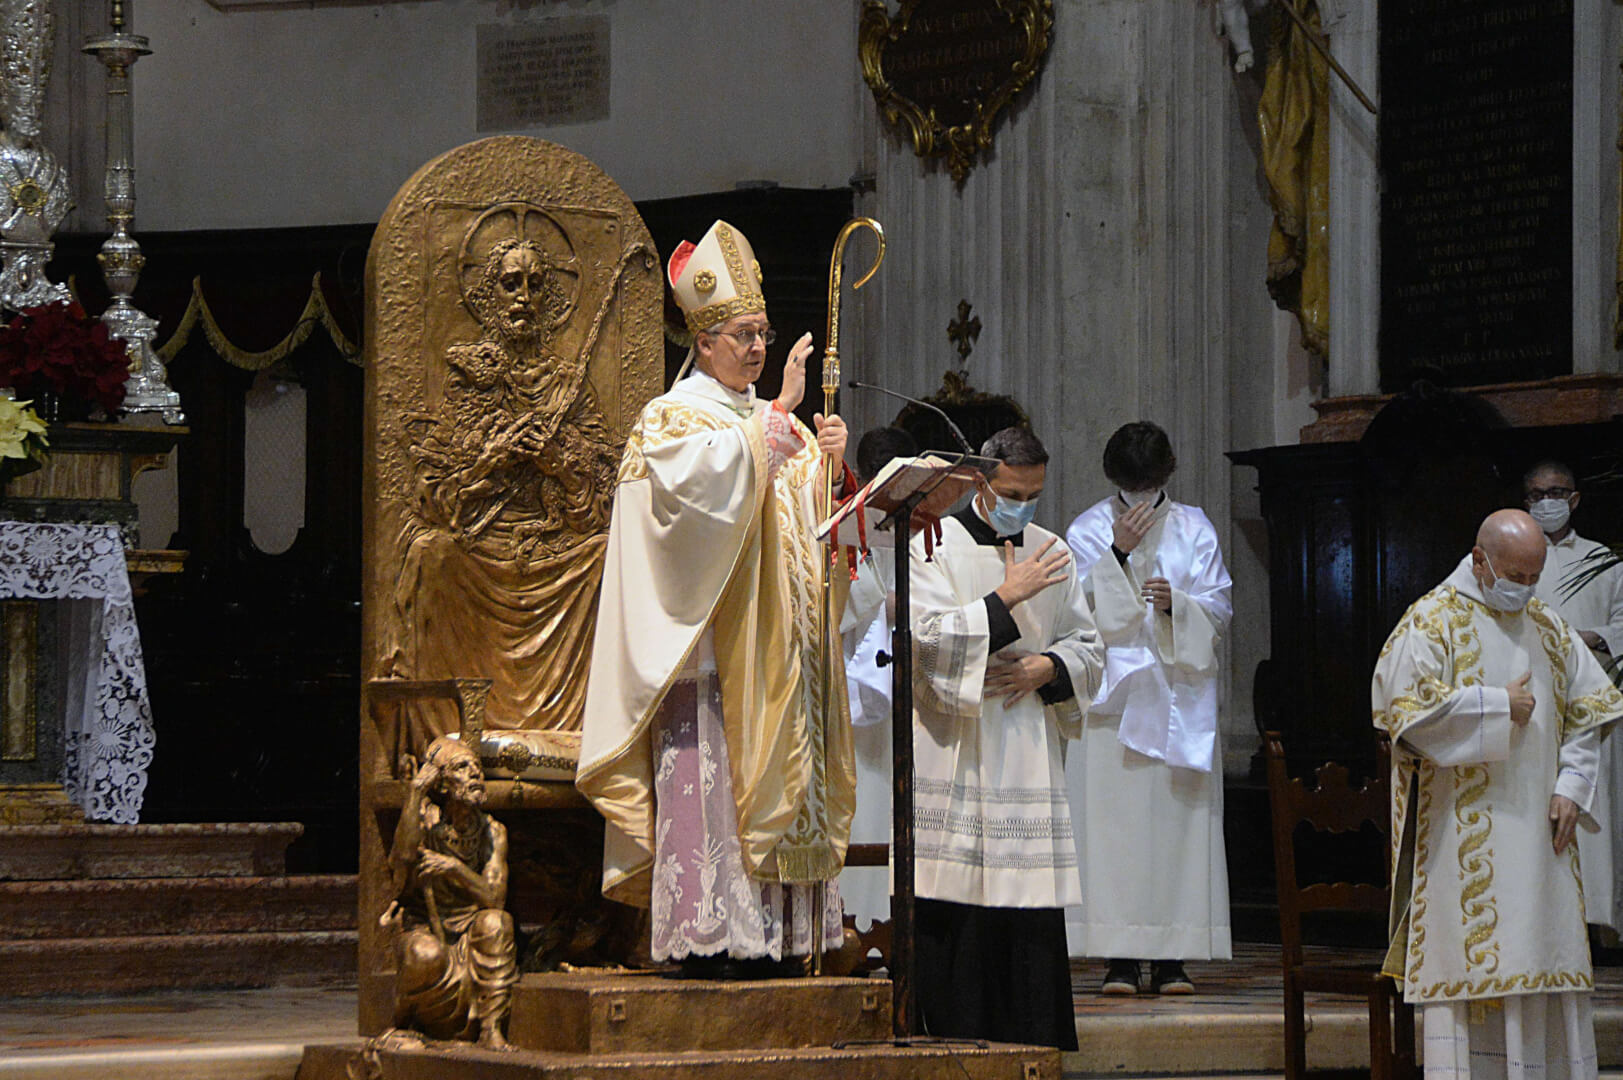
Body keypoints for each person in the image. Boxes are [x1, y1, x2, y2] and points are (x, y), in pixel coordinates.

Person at [577, 220, 856, 976]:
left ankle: (774, 938)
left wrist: (826, 470)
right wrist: (772, 426)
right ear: (703, 343)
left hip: (778, 657)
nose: (757, 348)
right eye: (743, 335)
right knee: (715, 794)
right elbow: (689, 516)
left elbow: (805, 531)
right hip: (708, 652)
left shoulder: (770, 422)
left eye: (763, 333)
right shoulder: (671, 419)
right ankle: (712, 939)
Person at [1373, 509, 1623, 1080]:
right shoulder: (1432, 620)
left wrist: (1572, 786)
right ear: (1479, 560)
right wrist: (1494, 706)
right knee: (1473, 963)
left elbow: (1590, 710)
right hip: (1462, 833)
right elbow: (1404, 717)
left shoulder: (1548, 626)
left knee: (1540, 963)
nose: (1526, 590)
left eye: (1535, 577)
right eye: (1516, 577)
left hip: (1539, 838)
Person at [909, 425, 1105, 1048]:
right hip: (959, 746)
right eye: (1013, 494)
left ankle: (1034, 1045)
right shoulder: (932, 544)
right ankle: (957, 1041)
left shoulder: (1053, 550)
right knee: (959, 905)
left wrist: (1050, 666)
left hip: (1025, 746)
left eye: (1034, 495)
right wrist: (1003, 599)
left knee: (1028, 916)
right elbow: (926, 643)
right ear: (980, 481)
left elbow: (1089, 645)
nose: (1023, 506)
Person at [1064, 421, 1233, 995]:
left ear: (1166, 475)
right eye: (1131, 485)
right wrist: (1117, 553)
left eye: (1148, 485)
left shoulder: (1194, 527)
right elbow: (1073, 610)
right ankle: (1117, 955)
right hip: (1114, 703)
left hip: (1176, 695)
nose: (1139, 497)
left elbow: (1218, 606)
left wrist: (1175, 605)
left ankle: (1171, 956)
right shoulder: (1089, 528)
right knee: (1113, 830)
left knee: (1174, 829)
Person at [1523, 460, 1623, 934]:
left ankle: (1596, 923)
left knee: (1594, 813)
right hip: (1533, 705)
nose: (1546, 503)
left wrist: (1594, 638)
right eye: (1536, 494)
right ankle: (1543, 922)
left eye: (1556, 493)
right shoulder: (1513, 557)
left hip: (1593, 702)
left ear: (1575, 499)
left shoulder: (1603, 560)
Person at [383, 736, 518, 1050]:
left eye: (476, 767)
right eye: (462, 767)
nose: (475, 773)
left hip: (471, 930)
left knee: (497, 923)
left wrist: (453, 868)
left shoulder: (492, 831)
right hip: (426, 926)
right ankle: (405, 1024)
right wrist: (416, 791)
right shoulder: (424, 821)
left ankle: (490, 1028)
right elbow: (402, 858)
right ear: (442, 785)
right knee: (424, 955)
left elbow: (495, 898)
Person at [838, 426, 918, 927]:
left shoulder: (925, 527)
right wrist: (878, 605)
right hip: (853, 690)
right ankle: (854, 917)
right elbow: (830, 600)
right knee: (864, 800)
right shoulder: (844, 524)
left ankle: (903, 922)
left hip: (914, 689)